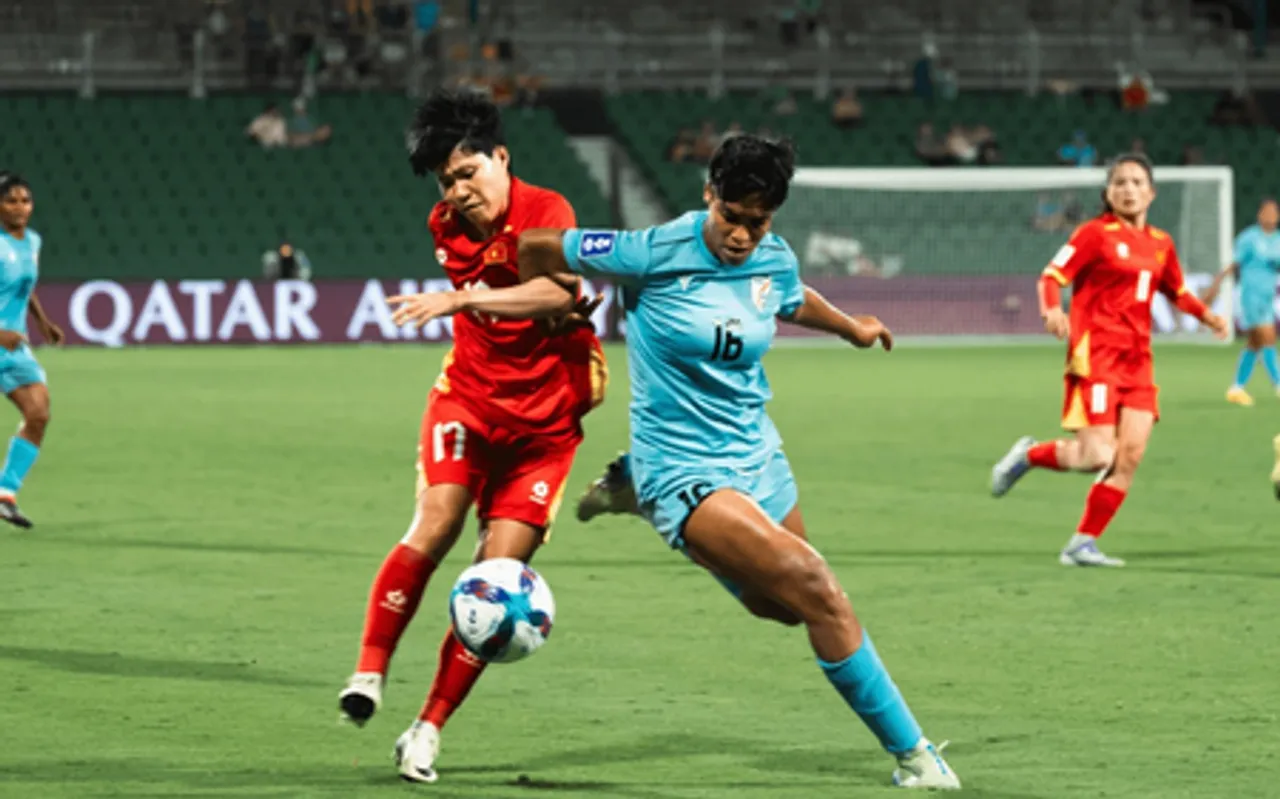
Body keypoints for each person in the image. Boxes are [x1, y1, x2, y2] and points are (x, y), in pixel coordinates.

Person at [393, 134, 960, 790]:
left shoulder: (771, 256)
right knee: (820, 589)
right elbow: (539, 246)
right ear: (708, 194)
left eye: (758, 222)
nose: (744, 235)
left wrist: (851, 325)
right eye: (733, 217)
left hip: (757, 455)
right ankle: (916, 757)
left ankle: (630, 496)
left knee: (779, 607)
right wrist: (552, 310)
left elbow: (789, 294)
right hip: (682, 469)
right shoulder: (653, 250)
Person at [336, 89, 607, 784]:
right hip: (469, 403)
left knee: (496, 584)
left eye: (468, 173)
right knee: (436, 520)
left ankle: (426, 729)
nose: (458, 191)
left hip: (544, 430)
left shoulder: (548, 211)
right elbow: (544, 298)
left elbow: (556, 291)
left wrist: (463, 298)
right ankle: (368, 670)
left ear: (502, 158)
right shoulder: (446, 224)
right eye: (446, 181)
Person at [989, 154, 1229, 567]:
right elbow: (1052, 276)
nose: (1129, 189)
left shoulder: (1160, 243)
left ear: (1151, 192)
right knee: (1097, 456)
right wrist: (1051, 310)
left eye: (1137, 182)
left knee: (1129, 456)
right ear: (1108, 193)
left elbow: (1176, 290)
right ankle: (1030, 455)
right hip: (1095, 355)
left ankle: (1082, 543)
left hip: (1138, 362)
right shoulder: (1094, 235)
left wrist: (1207, 315)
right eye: (1120, 182)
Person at [0, 173, 65, 529]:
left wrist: (42, 321)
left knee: (39, 413)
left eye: (25, 200)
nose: (20, 207)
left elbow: (25, 287)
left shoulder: (32, 242)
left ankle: (5, 494)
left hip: (13, 348)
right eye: (11, 200)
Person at [1202, 198, 1280, 406]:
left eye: (1274, 212)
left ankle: (1236, 388)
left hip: (1267, 296)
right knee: (1268, 337)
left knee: (1255, 343)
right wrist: (1215, 285)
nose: (1271, 216)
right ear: (1259, 215)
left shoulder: (1279, 240)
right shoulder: (1249, 238)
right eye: (1267, 212)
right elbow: (1233, 265)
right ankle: (1278, 385)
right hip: (1251, 296)